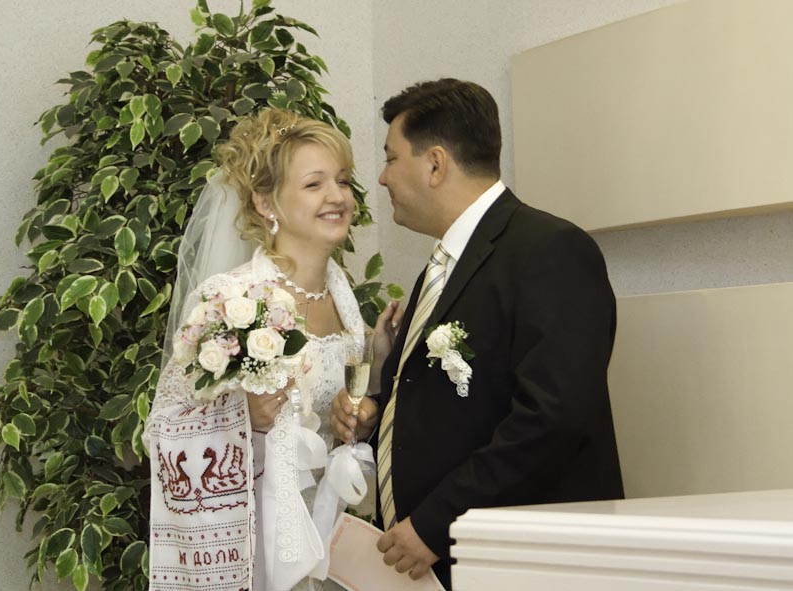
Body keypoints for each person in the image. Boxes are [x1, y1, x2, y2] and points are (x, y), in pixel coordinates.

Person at [330, 78, 625, 589]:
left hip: (521, 560)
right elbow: (453, 405)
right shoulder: (443, 265)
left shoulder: (550, 250)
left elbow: (554, 418)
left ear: (435, 164)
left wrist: (436, 522)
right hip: (443, 564)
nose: (381, 177)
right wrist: (375, 411)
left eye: (391, 158)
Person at [145, 108, 364, 591]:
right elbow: (161, 430)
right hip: (255, 539)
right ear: (267, 203)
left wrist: (357, 412)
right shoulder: (229, 299)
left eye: (343, 181)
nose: (337, 196)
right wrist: (242, 418)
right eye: (315, 184)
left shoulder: (344, 299)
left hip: (331, 531)